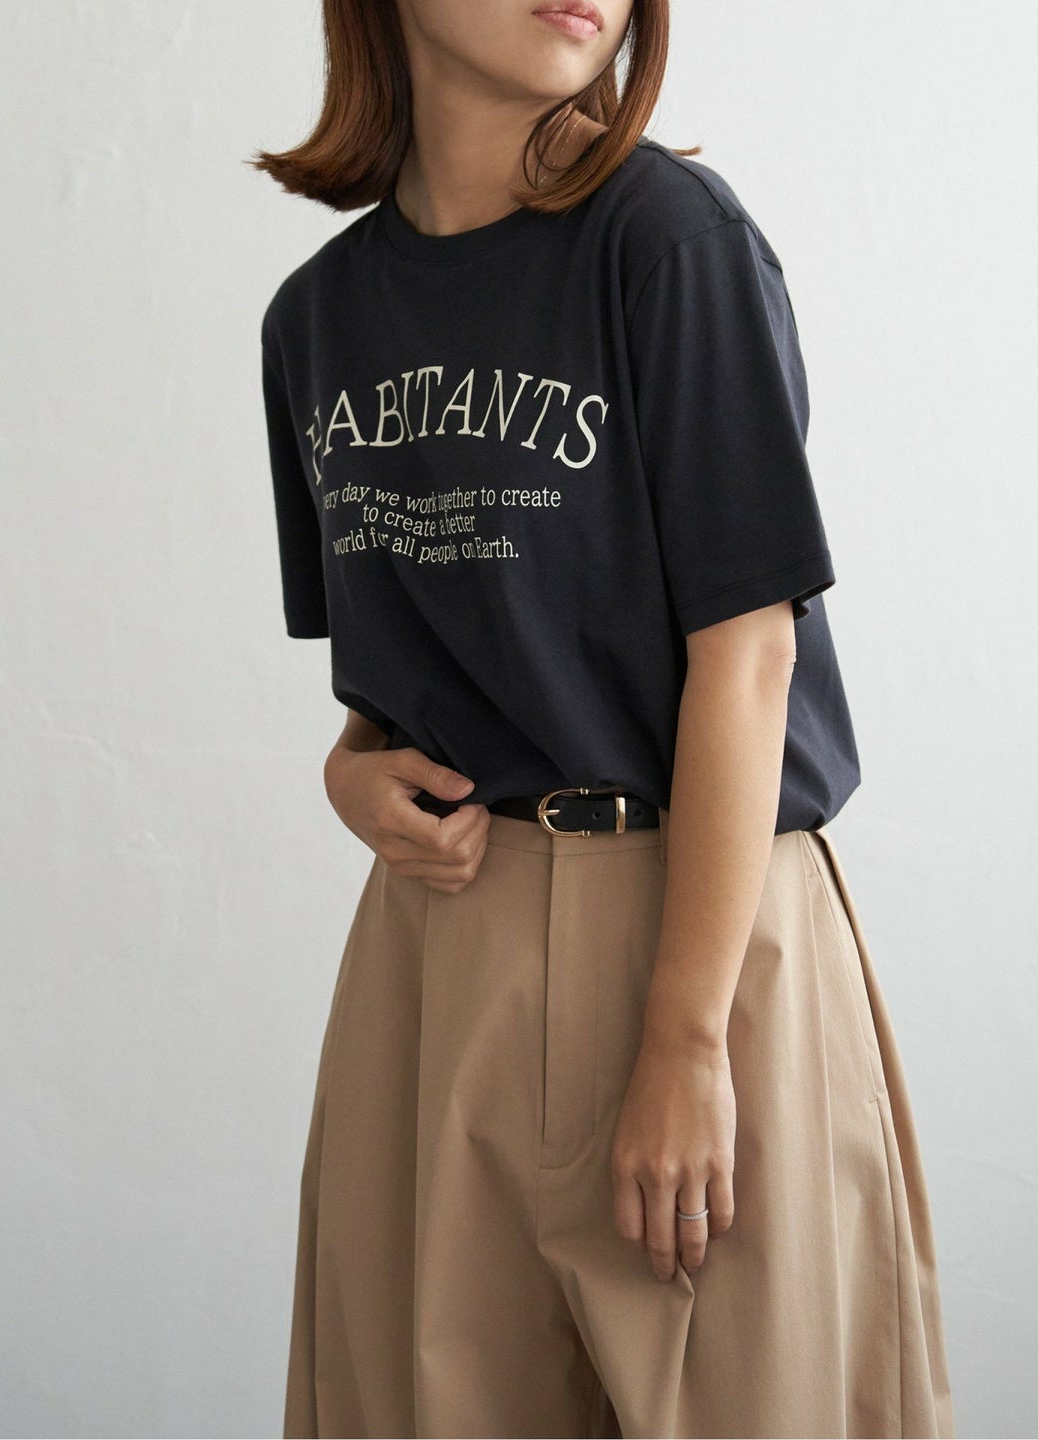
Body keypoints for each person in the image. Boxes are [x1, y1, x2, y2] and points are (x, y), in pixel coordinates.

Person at [251, 1, 955, 1435]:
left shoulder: (671, 240)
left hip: (701, 925)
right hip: (445, 953)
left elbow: (747, 654)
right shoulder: (316, 321)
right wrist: (348, 776)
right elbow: (405, 680)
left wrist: (686, 1040)